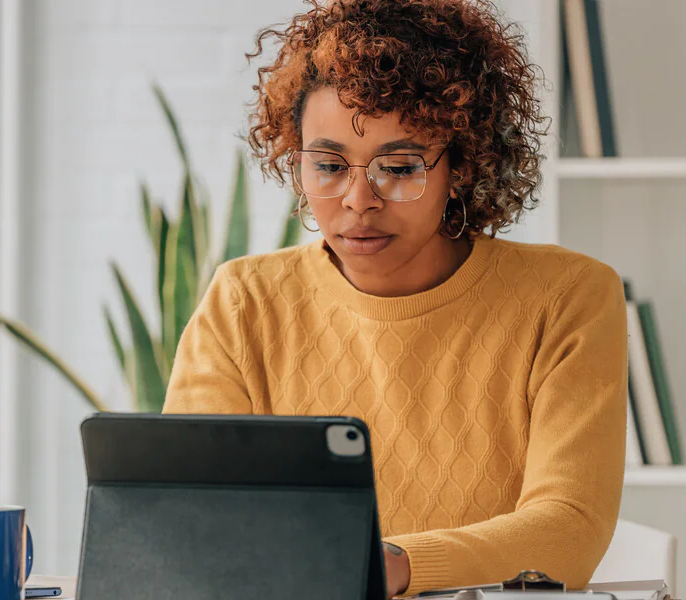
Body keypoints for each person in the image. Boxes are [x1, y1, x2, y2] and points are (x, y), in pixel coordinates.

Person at [162, 0, 628, 598]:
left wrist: (383, 565)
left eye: (400, 167)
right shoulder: (243, 302)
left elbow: (569, 528)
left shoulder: (565, 297)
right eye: (329, 164)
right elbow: (188, 513)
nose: (358, 199)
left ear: (459, 165)